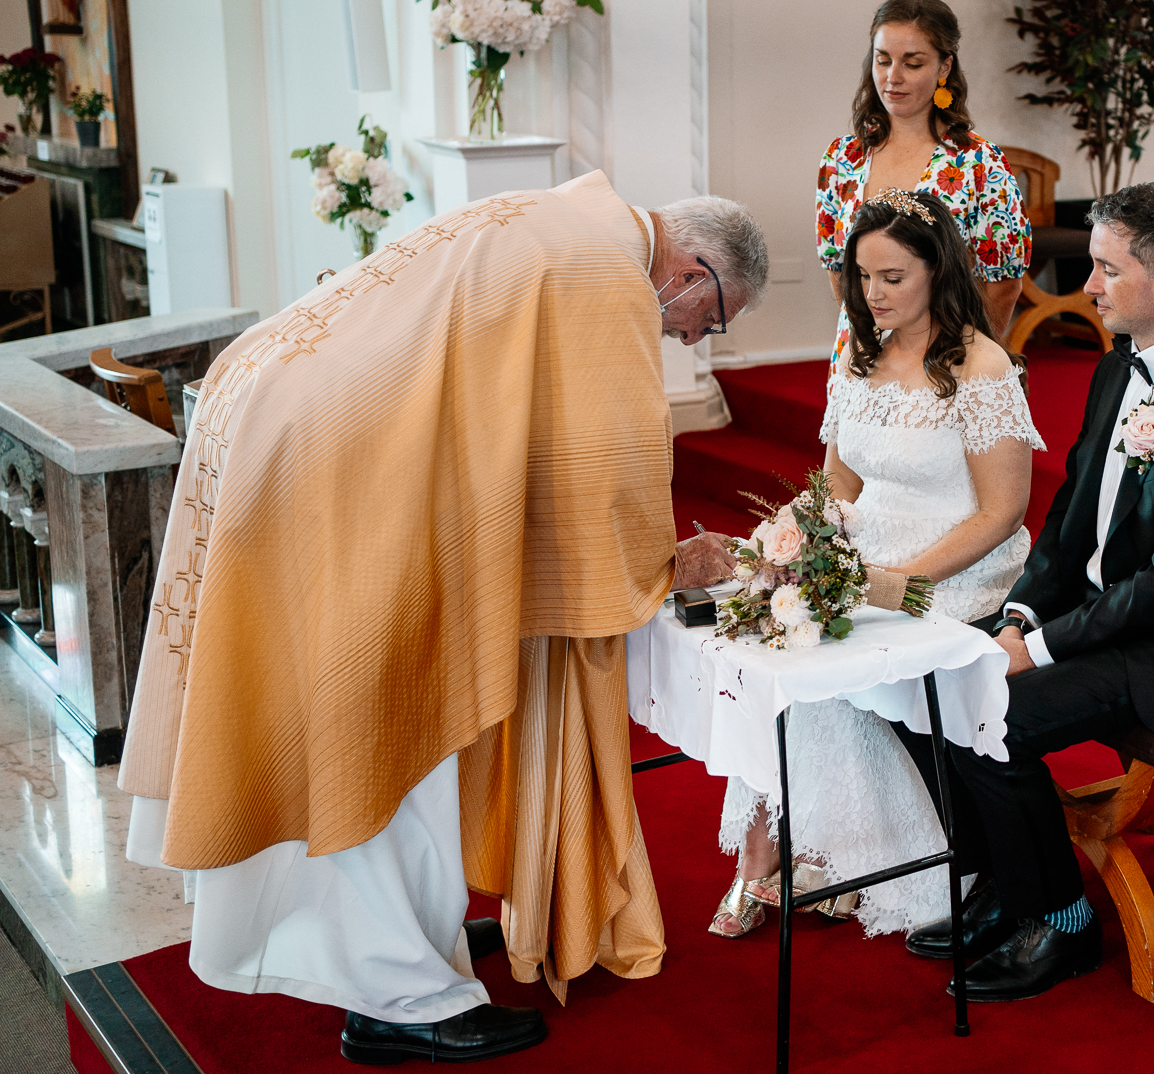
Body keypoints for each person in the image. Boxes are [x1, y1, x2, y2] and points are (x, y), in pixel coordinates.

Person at [118, 173, 766, 1064]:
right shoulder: (609, 270)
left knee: (348, 712)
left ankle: (392, 948)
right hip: (339, 464)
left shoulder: (568, 217)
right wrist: (665, 563)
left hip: (282, 409)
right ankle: (398, 993)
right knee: (380, 718)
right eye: (711, 318)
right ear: (694, 271)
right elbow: (610, 459)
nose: (692, 335)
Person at [895, 181, 1154, 1002]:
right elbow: (1072, 515)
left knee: (990, 716)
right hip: (1104, 614)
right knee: (923, 680)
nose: (1090, 287)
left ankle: (1063, 922)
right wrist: (1018, 616)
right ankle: (1005, 884)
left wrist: (1033, 652)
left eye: (1108, 269)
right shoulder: (1119, 368)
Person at [711, 187, 1045, 939]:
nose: (875, 294)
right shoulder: (860, 361)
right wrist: (792, 542)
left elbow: (1003, 513)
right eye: (864, 277)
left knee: (832, 646)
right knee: (782, 637)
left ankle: (874, 859)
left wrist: (908, 582)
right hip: (866, 568)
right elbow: (838, 484)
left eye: (894, 276)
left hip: (953, 578)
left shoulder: (982, 368)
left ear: (938, 269)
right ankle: (816, 852)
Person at [817, 0, 1030, 363]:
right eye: (882, 60)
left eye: (912, 63)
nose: (892, 77)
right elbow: (840, 272)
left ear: (944, 67)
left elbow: (1004, 284)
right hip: (860, 350)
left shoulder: (977, 162)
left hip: (945, 357)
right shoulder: (843, 158)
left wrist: (968, 358)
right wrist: (873, 337)